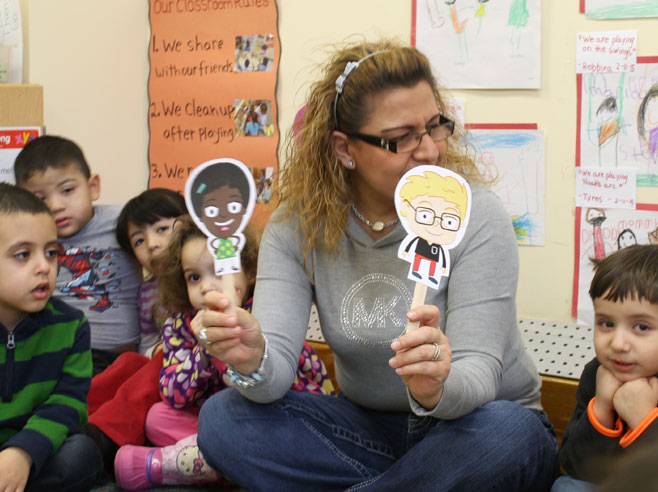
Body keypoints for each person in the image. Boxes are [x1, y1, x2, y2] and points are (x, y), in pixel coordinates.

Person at [194, 39, 558, 491]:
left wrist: (436, 386)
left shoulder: (476, 215)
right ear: (345, 148)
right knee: (223, 420)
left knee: (511, 434)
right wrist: (253, 360)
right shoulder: (296, 226)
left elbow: (480, 375)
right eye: (401, 138)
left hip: (472, 424)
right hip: (368, 432)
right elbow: (273, 379)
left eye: (434, 126)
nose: (427, 150)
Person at [114, 216, 334, 490]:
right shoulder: (179, 326)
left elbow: (315, 396)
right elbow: (173, 395)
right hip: (211, 424)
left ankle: (182, 464)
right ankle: (231, 464)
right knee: (158, 418)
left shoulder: (270, 315)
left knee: (297, 434)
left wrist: (250, 358)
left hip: (269, 424)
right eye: (194, 277)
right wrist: (204, 352)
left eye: (220, 271)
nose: (206, 287)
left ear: (250, 271)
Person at [0, 183, 102, 492]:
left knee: (82, 454)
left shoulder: (71, 326)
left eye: (51, 252)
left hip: (35, 450)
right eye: (22, 254)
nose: (44, 266)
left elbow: (68, 402)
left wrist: (23, 453)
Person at [14, 135, 142, 375]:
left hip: (123, 356)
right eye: (40, 199)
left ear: (93, 187)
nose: (55, 205)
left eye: (67, 190)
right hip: (60, 353)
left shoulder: (124, 221)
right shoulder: (30, 238)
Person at [83, 188, 188, 477]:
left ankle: (102, 436)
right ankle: (78, 415)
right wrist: (155, 350)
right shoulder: (148, 293)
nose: (152, 244)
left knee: (155, 363)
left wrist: (165, 353)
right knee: (129, 362)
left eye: (163, 229)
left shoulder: (205, 272)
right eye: (139, 241)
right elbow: (148, 341)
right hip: (164, 369)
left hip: (195, 376)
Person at [553, 244, 658, 491]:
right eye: (607, 323)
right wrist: (601, 408)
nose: (618, 344)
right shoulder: (597, 373)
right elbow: (573, 465)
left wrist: (644, 420)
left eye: (641, 327)